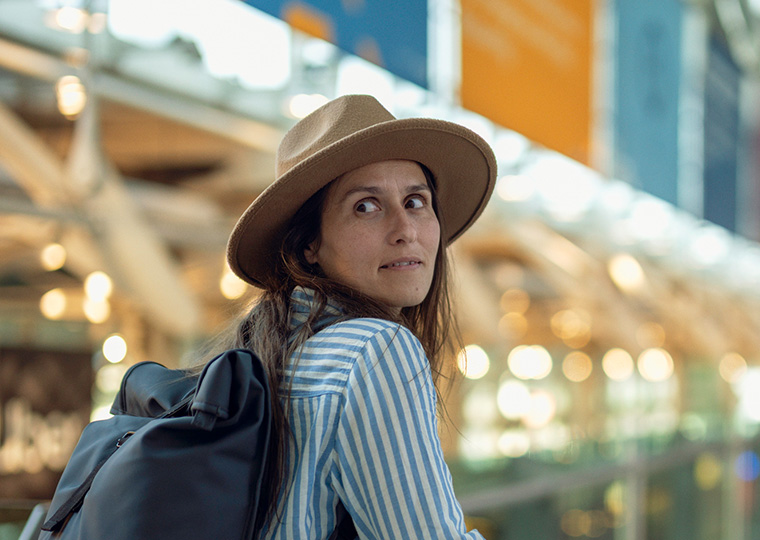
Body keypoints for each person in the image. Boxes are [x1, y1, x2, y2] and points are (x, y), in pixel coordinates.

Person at [221, 94, 496, 539]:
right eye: (366, 206)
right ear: (309, 243)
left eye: (415, 201)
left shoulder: (272, 351)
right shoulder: (374, 350)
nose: (405, 230)